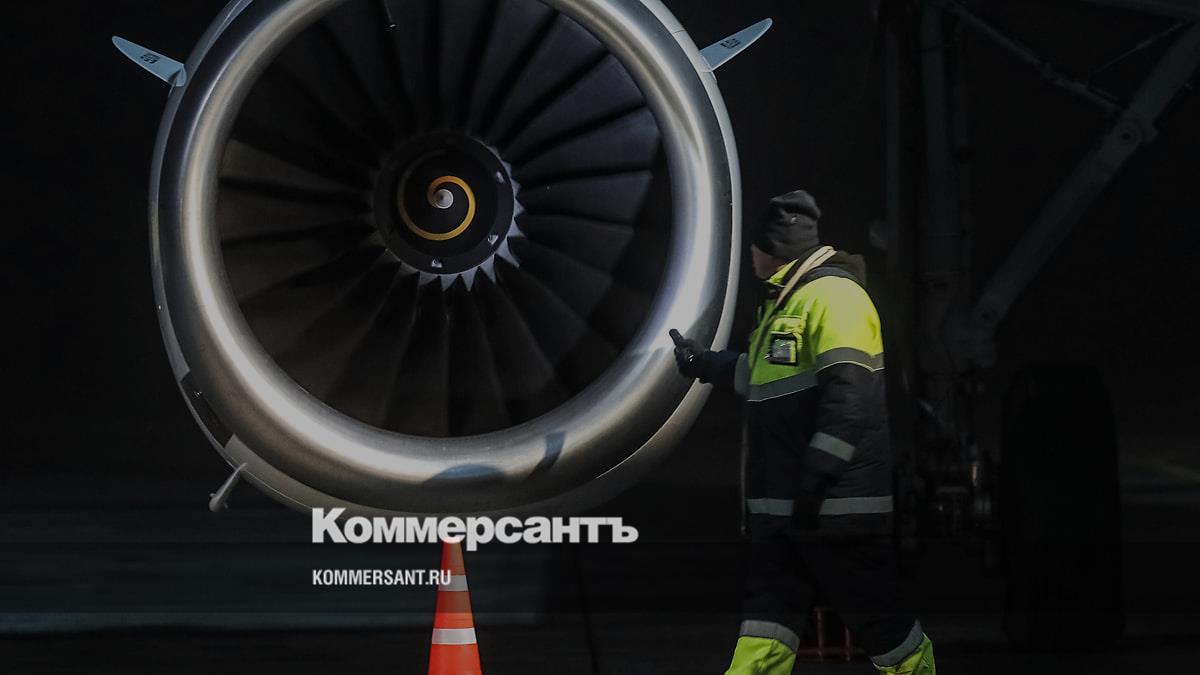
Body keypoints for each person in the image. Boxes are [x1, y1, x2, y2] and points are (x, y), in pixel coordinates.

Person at [670, 190, 935, 674]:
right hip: (785, 512)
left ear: (771, 247)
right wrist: (703, 364)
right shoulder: (784, 303)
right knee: (765, 631)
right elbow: (761, 376)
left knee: (882, 627)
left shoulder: (835, 298)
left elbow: (850, 399)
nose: (749, 256)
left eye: (753, 247)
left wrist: (816, 480)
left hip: (834, 513)